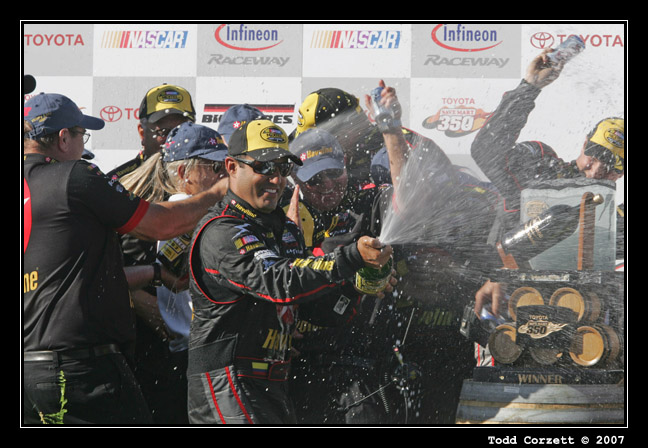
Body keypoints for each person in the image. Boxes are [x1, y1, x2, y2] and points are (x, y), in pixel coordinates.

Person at [23, 93, 226, 425]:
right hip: (80, 368)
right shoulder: (74, 177)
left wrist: (154, 273)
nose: (82, 146)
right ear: (63, 138)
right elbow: (162, 224)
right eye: (81, 135)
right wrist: (220, 192)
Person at [185, 119, 393, 424]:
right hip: (227, 382)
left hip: (274, 383)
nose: (275, 178)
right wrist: (350, 258)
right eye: (264, 167)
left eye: (283, 168)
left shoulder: (285, 231)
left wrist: (355, 287)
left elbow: (314, 309)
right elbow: (278, 281)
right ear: (231, 167)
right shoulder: (221, 231)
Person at [469, 49, 625, 358]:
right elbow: (486, 150)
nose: (595, 170)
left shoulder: (615, 221)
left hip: (581, 326)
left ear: (621, 174)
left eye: (611, 166)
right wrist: (530, 87)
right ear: (584, 143)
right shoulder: (541, 165)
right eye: (595, 155)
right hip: (509, 307)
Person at [118, 122, 229, 424]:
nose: (225, 174)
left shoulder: (187, 213)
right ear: (183, 174)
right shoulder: (185, 212)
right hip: (196, 357)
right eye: (214, 166)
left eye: (227, 165)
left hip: (188, 354)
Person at [107, 83, 196, 179]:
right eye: (164, 132)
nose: (174, 140)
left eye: (182, 131)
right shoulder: (119, 181)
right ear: (142, 133)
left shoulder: (204, 177)